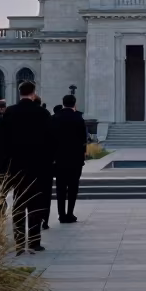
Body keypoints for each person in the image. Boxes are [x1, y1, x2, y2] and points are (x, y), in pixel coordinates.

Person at [4, 80, 55, 253]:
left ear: (20, 93)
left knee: (19, 202)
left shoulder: (10, 112)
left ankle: (19, 242)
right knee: (36, 203)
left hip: (17, 166)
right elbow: (51, 141)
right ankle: (34, 241)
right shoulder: (42, 113)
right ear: (33, 93)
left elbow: (4, 140)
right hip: (38, 166)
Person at [53, 94, 88, 222]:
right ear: (74, 103)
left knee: (60, 187)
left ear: (63, 103)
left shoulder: (55, 118)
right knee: (73, 187)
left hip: (59, 159)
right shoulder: (78, 118)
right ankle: (70, 213)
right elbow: (83, 139)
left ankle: (61, 214)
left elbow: (51, 139)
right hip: (75, 159)